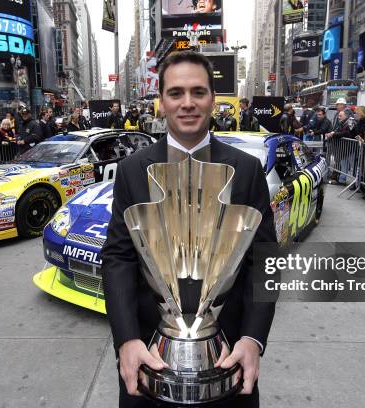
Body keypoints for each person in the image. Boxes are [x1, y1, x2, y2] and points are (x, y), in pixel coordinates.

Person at [101, 50, 276, 408]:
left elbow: (265, 261)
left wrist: (253, 339)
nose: (188, 103)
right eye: (176, 93)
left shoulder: (246, 170)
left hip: (229, 356)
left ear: (213, 99)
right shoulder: (133, 170)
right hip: (150, 353)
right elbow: (118, 257)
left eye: (198, 92)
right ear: (161, 102)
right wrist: (126, 340)